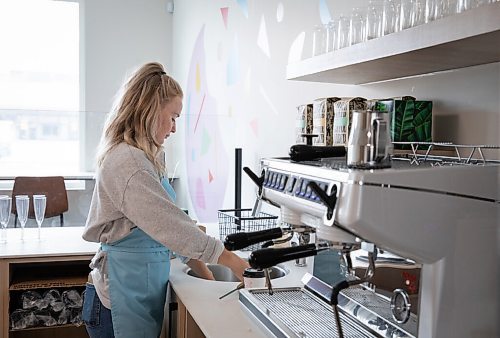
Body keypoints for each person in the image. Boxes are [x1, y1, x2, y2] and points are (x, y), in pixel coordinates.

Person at [81, 62, 249, 338]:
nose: (173, 128)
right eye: (173, 117)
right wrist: (230, 260)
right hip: (117, 301)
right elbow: (172, 227)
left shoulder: (148, 157)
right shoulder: (128, 163)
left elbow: (169, 227)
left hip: (136, 292)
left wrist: (210, 279)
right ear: (149, 110)